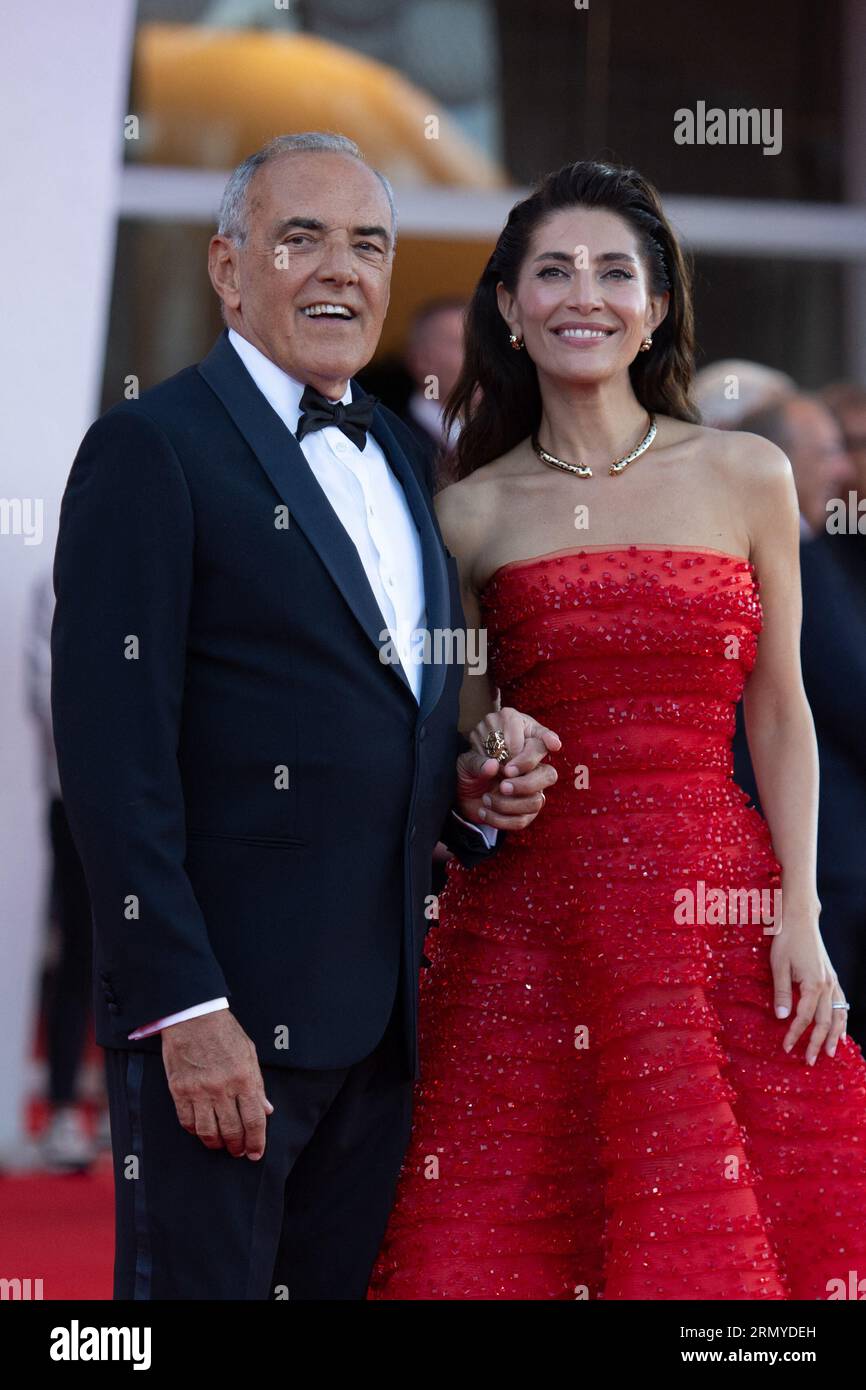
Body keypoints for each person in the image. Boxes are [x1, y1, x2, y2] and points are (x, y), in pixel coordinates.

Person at [51, 132, 558, 1301]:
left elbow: (384, 710)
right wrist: (185, 1006)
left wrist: (471, 800)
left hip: (384, 1023)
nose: (341, 269)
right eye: (302, 238)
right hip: (222, 1023)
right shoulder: (150, 449)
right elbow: (112, 757)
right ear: (229, 270)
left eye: (367, 244)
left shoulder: (395, 450)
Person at [368, 159, 866, 1301]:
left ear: (652, 308)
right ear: (507, 305)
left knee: (722, 1240)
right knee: (507, 1238)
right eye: (550, 270)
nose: (580, 294)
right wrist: (489, 762)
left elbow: (780, 707)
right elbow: (465, 723)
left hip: (718, 919)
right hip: (532, 933)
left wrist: (798, 910)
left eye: (611, 270)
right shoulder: (466, 508)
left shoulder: (745, 471)